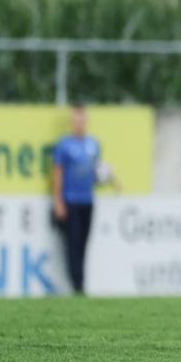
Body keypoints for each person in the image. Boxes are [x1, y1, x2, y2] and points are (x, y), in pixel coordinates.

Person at [52, 103, 120, 295]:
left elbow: (99, 169)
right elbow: (57, 174)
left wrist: (113, 182)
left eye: (82, 119)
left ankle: (80, 283)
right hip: (70, 201)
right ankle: (77, 286)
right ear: (71, 122)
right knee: (72, 244)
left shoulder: (93, 144)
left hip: (87, 201)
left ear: (86, 121)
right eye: (76, 119)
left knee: (83, 243)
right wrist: (58, 202)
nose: (79, 123)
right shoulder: (64, 145)